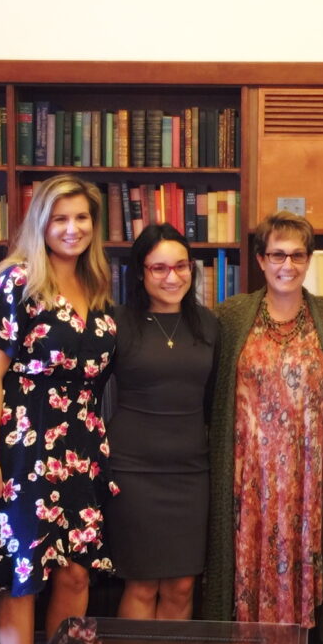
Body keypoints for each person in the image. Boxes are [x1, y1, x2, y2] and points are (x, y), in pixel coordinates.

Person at [0, 174, 119, 644]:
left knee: (74, 573)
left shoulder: (96, 285)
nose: (72, 229)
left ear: (95, 224)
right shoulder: (16, 282)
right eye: (60, 218)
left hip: (81, 446)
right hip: (24, 445)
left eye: (82, 218)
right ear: (41, 223)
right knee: (22, 577)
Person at [204, 211, 323, 644]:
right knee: (241, 555)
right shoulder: (231, 317)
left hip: (306, 473)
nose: (287, 265)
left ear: (308, 260)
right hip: (246, 472)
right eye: (277, 255)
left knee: (301, 549)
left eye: (297, 255)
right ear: (261, 259)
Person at [103, 223, 218, 620]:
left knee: (183, 584)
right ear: (140, 272)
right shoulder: (117, 323)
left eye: (182, 266)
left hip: (191, 471)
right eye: (159, 268)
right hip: (133, 471)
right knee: (142, 582)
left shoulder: (209, 325)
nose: (173, 277)